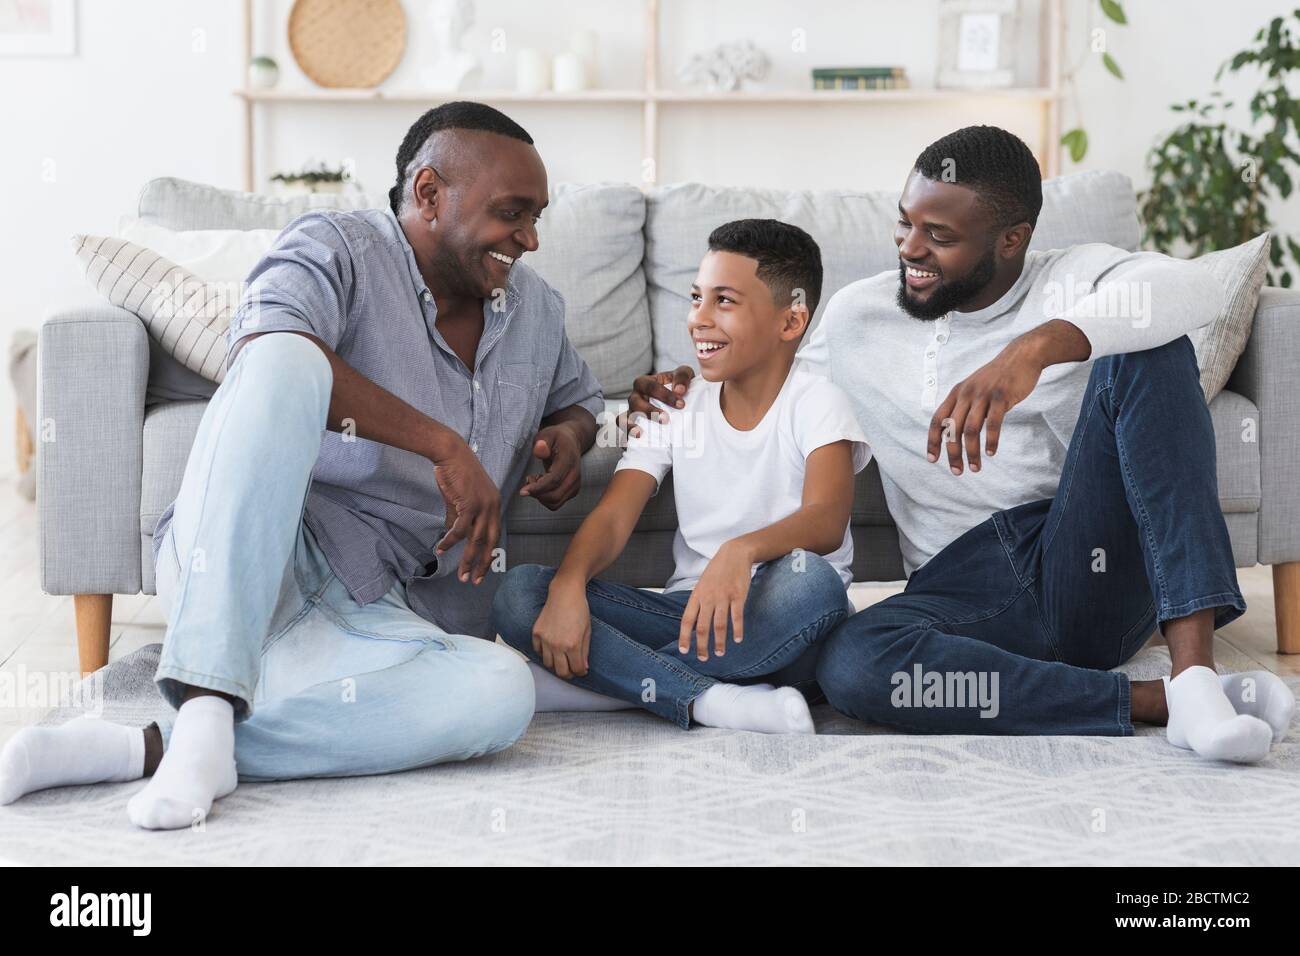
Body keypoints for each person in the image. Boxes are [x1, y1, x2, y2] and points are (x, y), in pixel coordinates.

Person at [0, 102, 604, 825]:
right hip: (256, 561)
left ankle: (152, 745)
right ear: (430, 193)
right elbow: (268, 344)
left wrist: (569, 435)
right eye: (513, 213)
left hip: (383, 620)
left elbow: (579, 401)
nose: (530, 238)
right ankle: (209, 699)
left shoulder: (534, 308)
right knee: (285, 354)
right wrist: (443, 444)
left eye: (537, 216)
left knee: (503, 694)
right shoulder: (338, 246)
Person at [628, 126, 1295, 762]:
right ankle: (1154, 702)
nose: (910, 249)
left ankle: (1198, 680)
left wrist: (1033, 350)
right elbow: (772, 384)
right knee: (854, 665)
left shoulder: (1074, 276)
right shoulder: (859, 315)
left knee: (1148, 348)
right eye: (905, 223)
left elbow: (1196, 288)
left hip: (1076, 554)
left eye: (938, 235)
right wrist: (685, 383)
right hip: (958, 589)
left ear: (1012, 240)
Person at [493, 220, 869, 733]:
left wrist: (741, 552)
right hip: (686, 617)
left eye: (725, 301)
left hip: (781, 624)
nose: (699, 319)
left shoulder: (818, 401)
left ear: (790, 321)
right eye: (696, 298)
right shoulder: (677, 404)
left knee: (815, 585)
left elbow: (825, 520)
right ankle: (711, 699)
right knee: (520, 593)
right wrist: (568, 586)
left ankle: (611, 686)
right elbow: (613, 517)